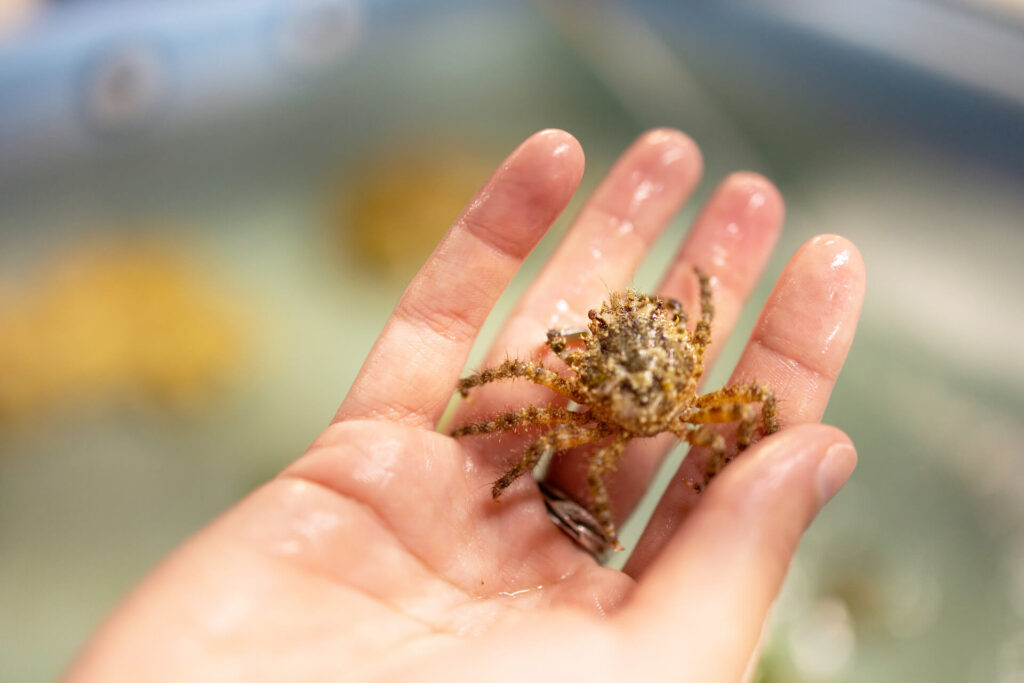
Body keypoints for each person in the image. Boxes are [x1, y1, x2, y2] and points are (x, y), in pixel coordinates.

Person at [66, 129, 865, 682]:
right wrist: (731, 458)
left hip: (612, 422)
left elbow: (509, 401)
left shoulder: (581, 381)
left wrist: (491, 420)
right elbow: (715, 340)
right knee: (752, 398)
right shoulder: (695, 366)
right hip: (673, 411)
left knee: (523, 419)